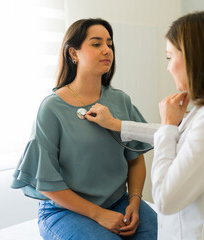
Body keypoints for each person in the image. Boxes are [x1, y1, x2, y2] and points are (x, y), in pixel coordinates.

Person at [86, 11, 204, 239]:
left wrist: (167, 125)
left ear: (194, 57)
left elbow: (164, 199)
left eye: (169, 57)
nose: (168, 67)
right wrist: (117, 124)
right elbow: (184, 138)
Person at [11, 18, 157, 240]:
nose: (107, 50)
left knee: (165, 234)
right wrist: (99, 214)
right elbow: (45, 182)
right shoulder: (52, 108)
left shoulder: (120, 100)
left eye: (110, 44)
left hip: (119, 202)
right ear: (74, 53)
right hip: (65, 211)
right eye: (96, 44)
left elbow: (135, 159)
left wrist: (135, 202)